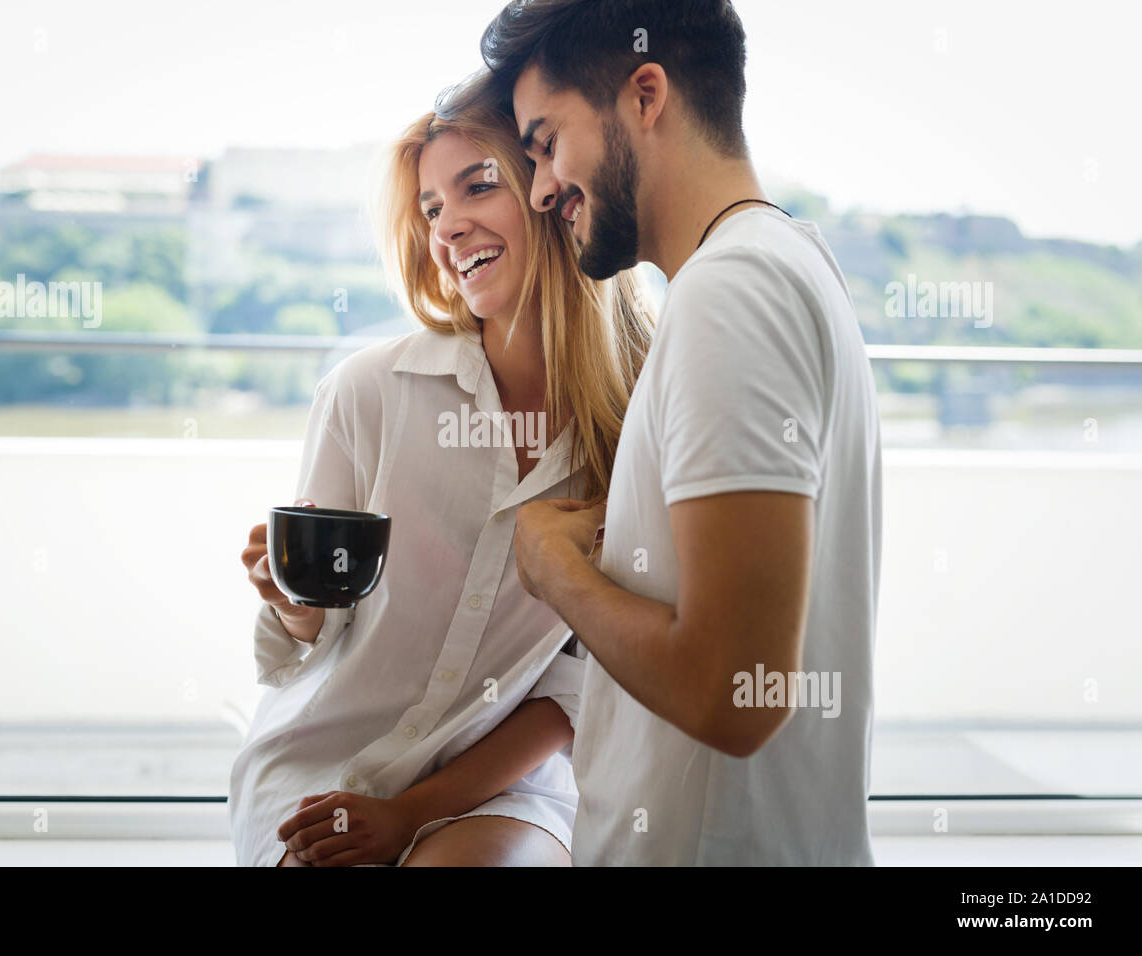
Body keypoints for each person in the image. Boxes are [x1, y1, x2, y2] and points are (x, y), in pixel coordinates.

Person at [479, 0, 883, 865]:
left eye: (547, 141)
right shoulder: (787, 264)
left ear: (646, 95)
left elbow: (734, 694)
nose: (542, 186)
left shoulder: (730, 294)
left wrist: (553, 571)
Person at [228, 75, 655, 867]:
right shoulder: (367, 394)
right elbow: (302, 643)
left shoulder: (637, 426)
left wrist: (410, 814)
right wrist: (288, 601)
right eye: (429, 210)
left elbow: (574, 693)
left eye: (477, 186)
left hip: (502, 779)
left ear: (555, 194)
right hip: (327, 757)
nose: (448, 227)